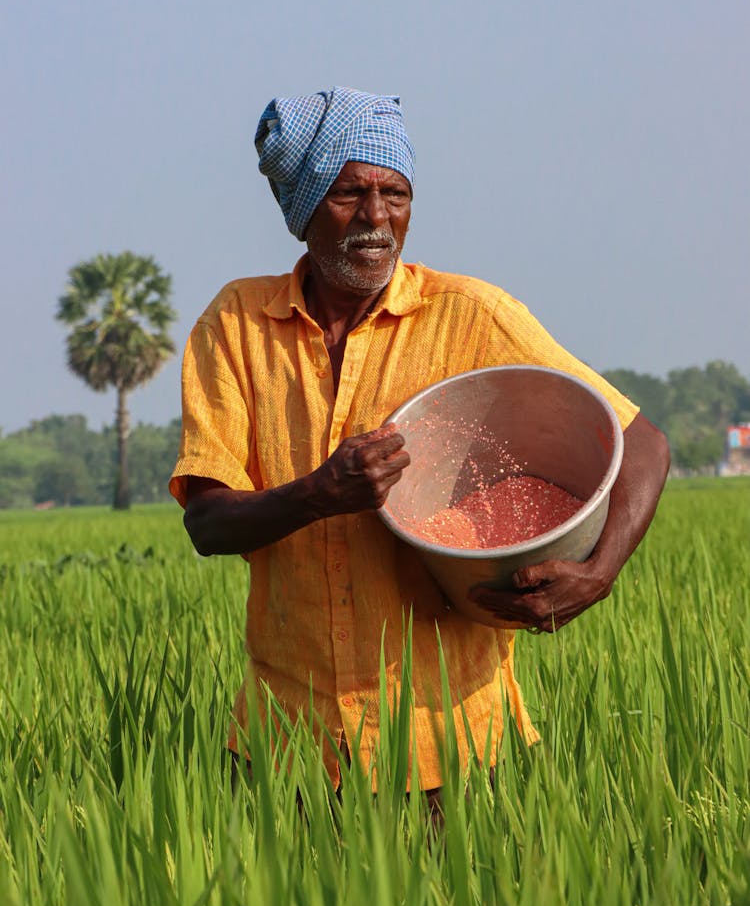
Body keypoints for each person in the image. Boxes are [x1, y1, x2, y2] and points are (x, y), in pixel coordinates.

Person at [169, 86, 669, 792]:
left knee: (463, 905)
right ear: (304, 209)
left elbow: (642, 443)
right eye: (349, 194)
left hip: (453, 740)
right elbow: (208, 522)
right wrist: (320, 493)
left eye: (394, 193)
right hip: (288, 745)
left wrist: (600, 571)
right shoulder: (237, 326)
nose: (376, 217)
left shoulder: (470, 315)